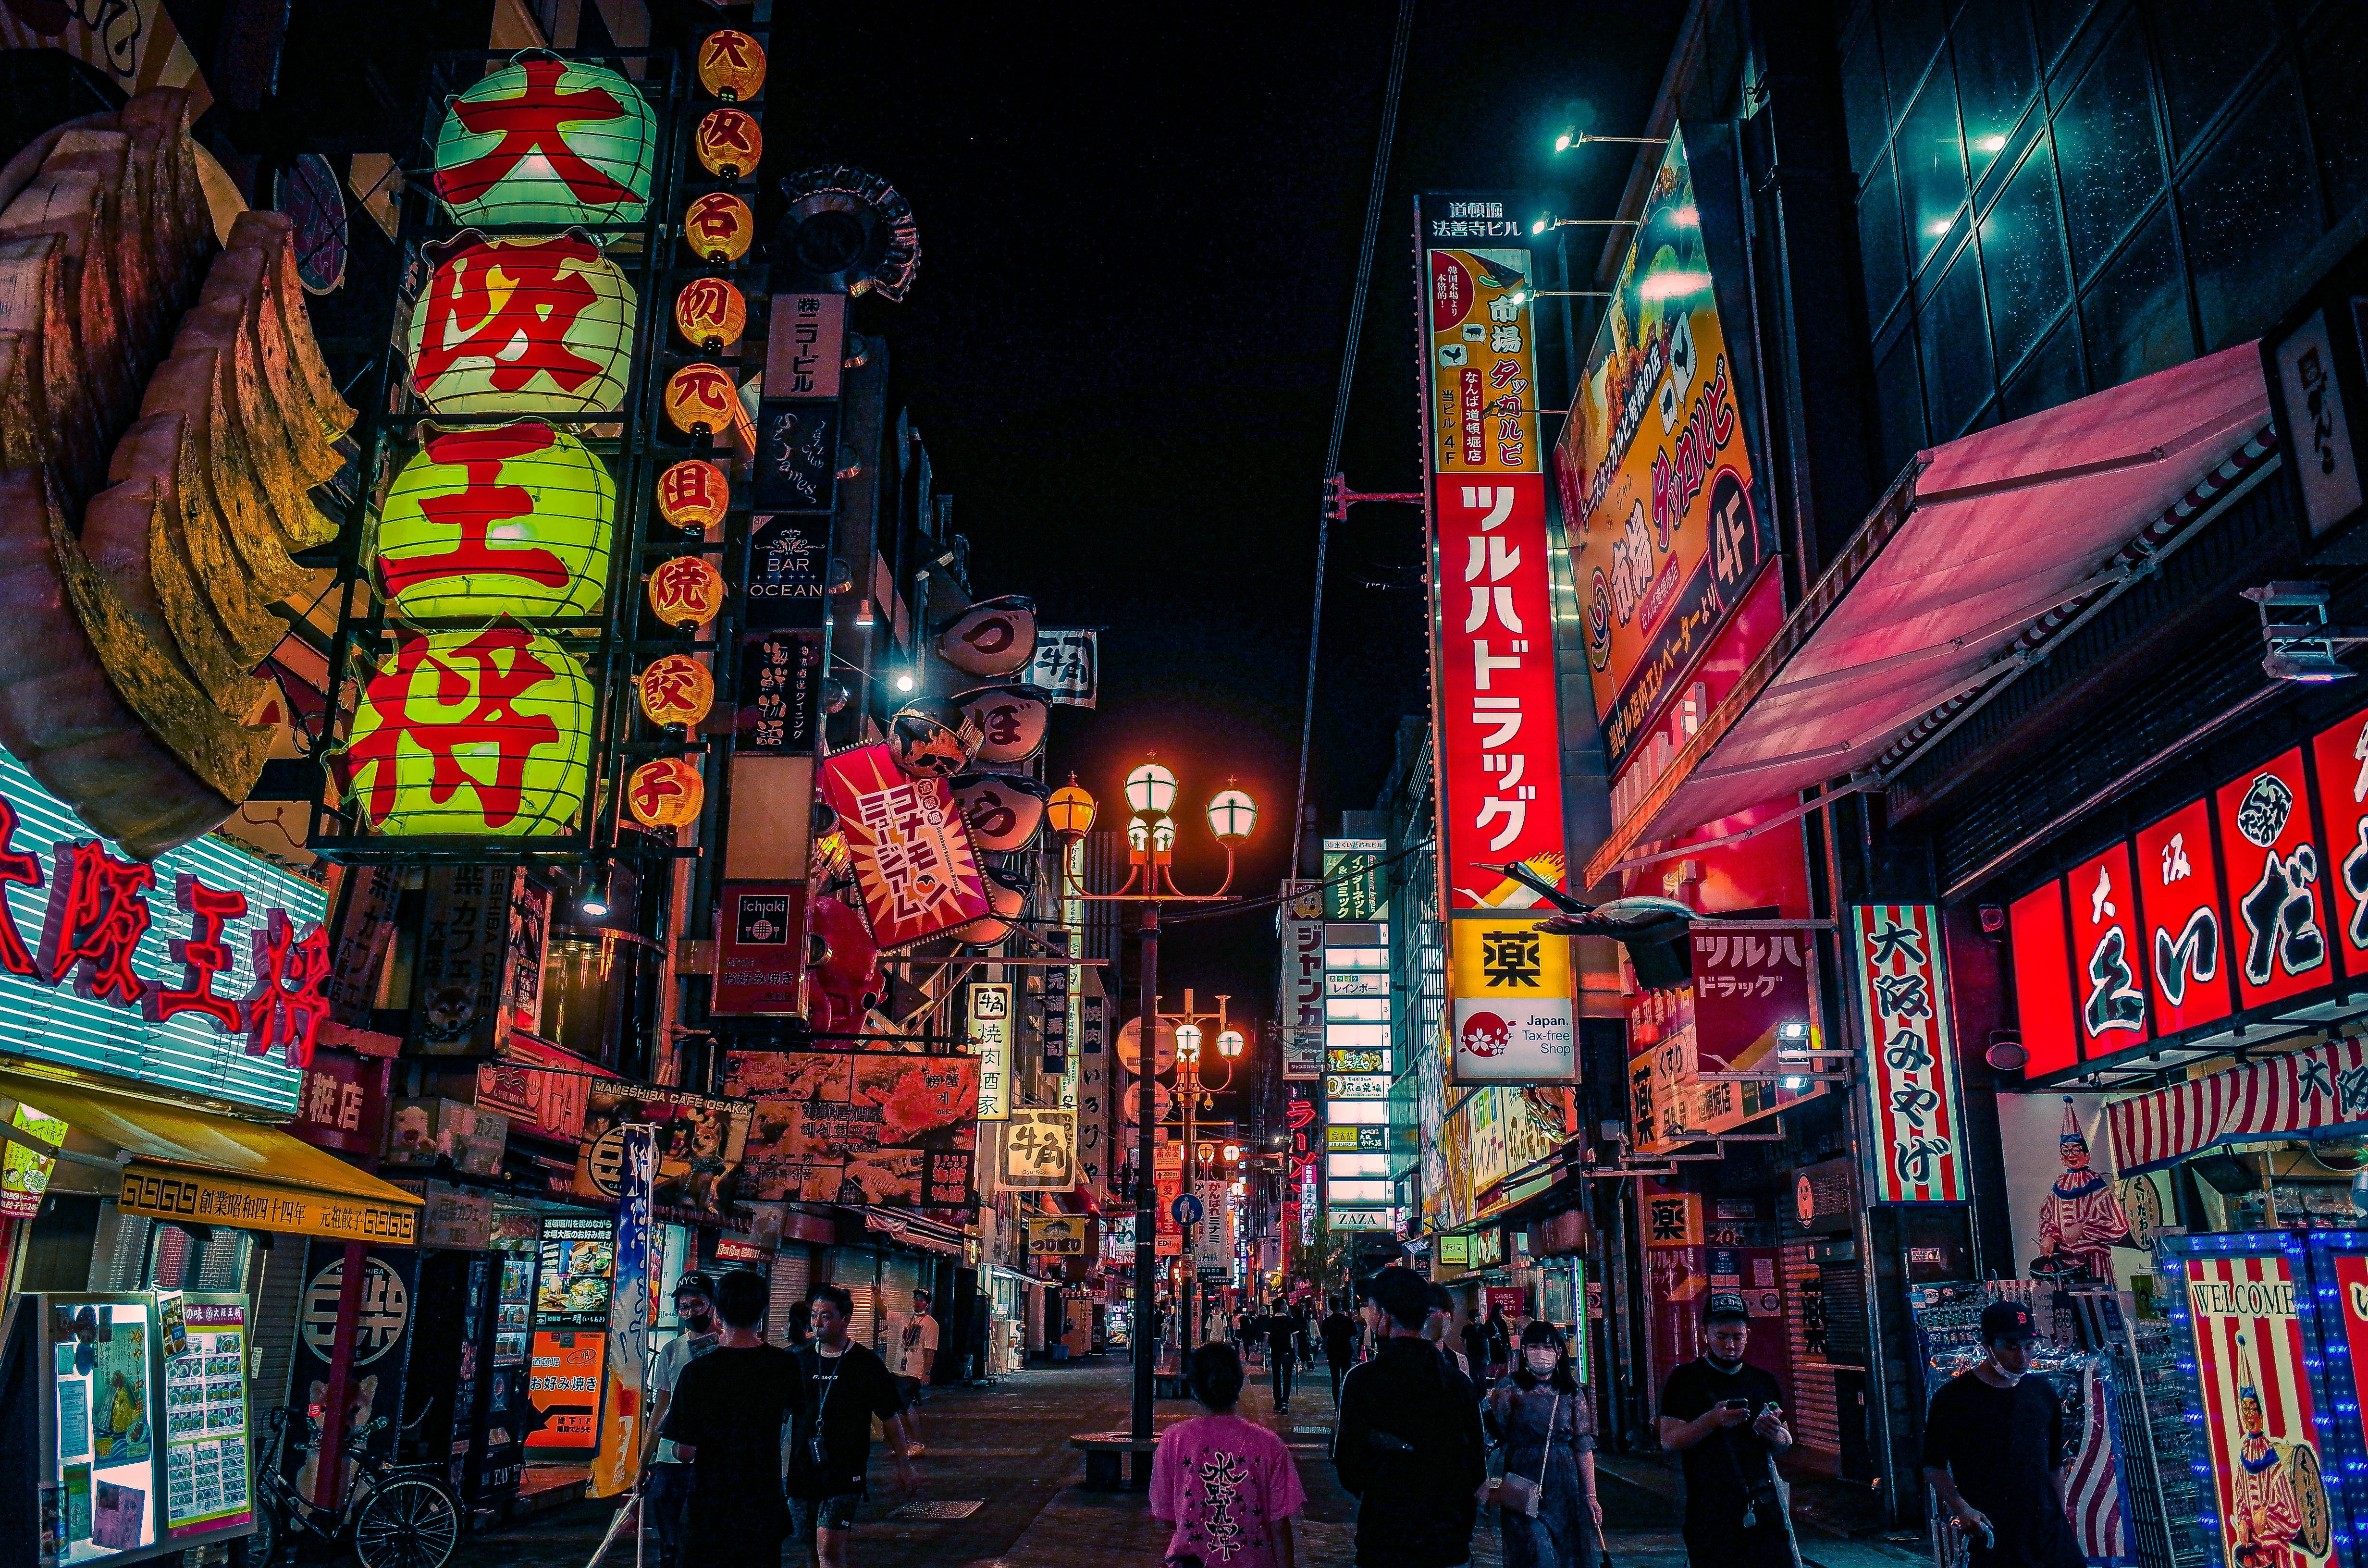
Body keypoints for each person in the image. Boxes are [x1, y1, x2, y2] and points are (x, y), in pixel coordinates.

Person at [1332, 1268, 1487, 1568]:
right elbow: (1476, 1465)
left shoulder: (1363, 1382)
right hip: (1448, 1540)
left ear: (1385, 1315)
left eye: (1372, 1308)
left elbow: (1349, 1466)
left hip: (1385, 1538)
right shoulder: (1458, 1383)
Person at [658, 1269, 804, 1568]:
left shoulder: (697, 1372)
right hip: (763, 1502)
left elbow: (685, 1452)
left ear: (718, 1310)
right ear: (763, 1311)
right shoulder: (785, 1365)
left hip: (709, 1508)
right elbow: (795, 1419)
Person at [1923, 1301, 2085, 1568]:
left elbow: (2054, 1466)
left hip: (2047, 1527)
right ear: (1987, 1345)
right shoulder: (1954, 1398)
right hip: (1992, 1528)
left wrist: (2060, 1515)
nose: (2022, 1357)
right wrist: (1961, 1507)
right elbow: (1932, 1465)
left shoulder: (2043, 1393)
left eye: (2029, 1348)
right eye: (2012, 1348)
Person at [1657, 1298, 1800, 1568]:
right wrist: (1713, 1420)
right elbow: (1669, 1440)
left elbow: (1784, 1442)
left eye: (1738, 1336)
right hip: (1709, 1508)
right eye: (1721, 1337)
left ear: (1748, 1335)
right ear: (1705, 1335)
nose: (1730, 1345)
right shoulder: (1685, 1380)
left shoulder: (1763, 1380)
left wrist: (1773, 1434)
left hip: (1763, 1504)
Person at [790, 1284, 919, 1568]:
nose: (817, 1323)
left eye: (826, 1316)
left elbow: (890, 1416)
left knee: (830, 1550)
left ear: (846, 1319)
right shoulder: (800, 1361)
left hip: (845, 1470)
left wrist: (904, 1464)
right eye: (814, 1316)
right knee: (811, 1547)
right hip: (802, 1469)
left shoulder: (865, 1363)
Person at [1152, 1342, 1307, 1568]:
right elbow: (1279, 1524)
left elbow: (1166, 1516)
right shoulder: (1270, 1445)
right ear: (1239, 1383)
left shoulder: (1173, 1440)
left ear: (1195, 1387)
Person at [1488, 1322, 1601, 1568]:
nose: (1541, 1352)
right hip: (1523, 1477)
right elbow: (1497, 1434)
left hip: (1563, 1480)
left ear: (1559, 1352)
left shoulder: (1572, 1393)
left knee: (1565, 1550)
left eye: (1547, 1347)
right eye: (1535, 1346)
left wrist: (1590, 1495)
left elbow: (1583, 1446)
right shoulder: (1509, 1388)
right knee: (1535, 1549)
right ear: (1525, 1351)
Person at [642, 1273, 721, 1568]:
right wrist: (643, 1464)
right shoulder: (672, 1350)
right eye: (684, 1307)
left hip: (709, 1458)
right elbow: (660, 1409)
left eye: (698, 1304)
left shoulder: (729, 1348)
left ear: (713, 1305)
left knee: (701, 1538)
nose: (690, 1313)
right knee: (668, 1542)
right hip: (669, 1458)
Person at [881, 1288, 938, 1452]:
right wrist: (877, 1295)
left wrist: (926, 1373)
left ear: (927, 1304)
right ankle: (906, 1442)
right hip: (898, 1370)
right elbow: (884, 1313)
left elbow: (930, 1351)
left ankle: (917, 1443)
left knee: (907, 1407)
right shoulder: (905, 1318)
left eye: (921, 1300)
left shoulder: (931, 1325)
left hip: (914, 1372)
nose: (917, 1302)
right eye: (916, 1298)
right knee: (899, 1409)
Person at [1423, 1284, 1471, 1380]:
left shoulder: (1461, 1362)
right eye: (1431, 1311)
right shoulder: (1404, 1361)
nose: (1441, 1316)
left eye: (1445, 1311)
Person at [1261, 1299, 1299, 1413]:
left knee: (1276, 1377)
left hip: (1275, 1353)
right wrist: (1296, 1355)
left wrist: (1263, 1353)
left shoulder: (1271, 1321)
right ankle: (1285, 1403)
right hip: (1288, 1353)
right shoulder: (1290, 1321)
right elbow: (1295, 1341)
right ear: (1282, 1306)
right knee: (1287, 1378)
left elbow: (1266, 1340)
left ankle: (1277, 1402)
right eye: (1286, 1304)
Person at [1321, 1299, 1358, 1401]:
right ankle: (1344, 1402)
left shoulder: (1327, 1321)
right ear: (1340, 1306)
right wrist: (1356, 1354)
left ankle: (1337, 1405)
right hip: (1346, 1352)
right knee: (1346, 1379)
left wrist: (1325, 1348)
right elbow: (1352, 1339)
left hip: (1333, 1353)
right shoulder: (1348, 1321)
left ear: (1330, 1308)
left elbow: (1324, 1338)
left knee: (1335, 1380)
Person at [1459, 1309, 1491, 1380]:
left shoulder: (1483, 1327)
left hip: (1482, 1355)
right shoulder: (1467, 1328)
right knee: (1473, 1375)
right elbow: (1462, 1340)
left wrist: (1488, 1356)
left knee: (1482, 1376)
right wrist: (1465, 1350)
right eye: (1477, 1316)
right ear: (1472, 1318)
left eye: (1480, 1316)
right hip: (1471, 1355)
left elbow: (1486, 1342)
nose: (1480, 1318)